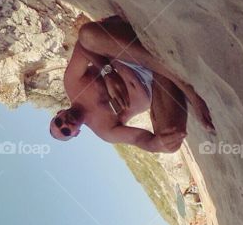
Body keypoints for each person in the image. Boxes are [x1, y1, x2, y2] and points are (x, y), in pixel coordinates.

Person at [49, 16, 213, 153]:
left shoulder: (71, 84)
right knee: (171, 144)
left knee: (87, 35)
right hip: (157, 83)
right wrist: (156, 145)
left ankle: (187, 89)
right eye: (65, 131)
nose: (65, 124)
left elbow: (82, 47)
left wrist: (108, 74)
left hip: (128, 53)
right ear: (76, 133)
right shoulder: (105, 131)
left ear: (59, 112)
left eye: (58, 122)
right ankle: (170, 74)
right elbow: (139, 139)